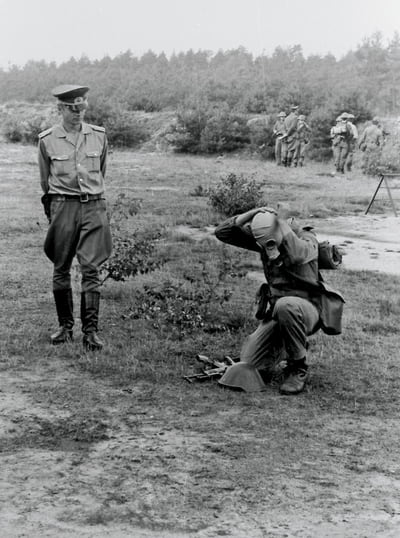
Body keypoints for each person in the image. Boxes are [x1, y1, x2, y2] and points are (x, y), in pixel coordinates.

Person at [214, 208, 344, 395]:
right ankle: (287, 343)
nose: (268, 248)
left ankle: (297, 367)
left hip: (307, 309)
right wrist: (254, 213)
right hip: (278, 312)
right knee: (250, 364)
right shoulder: (264, 236)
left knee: (287, 305)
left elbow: (299, 254)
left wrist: (281, 229)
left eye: (271, 242)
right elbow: (223, 232)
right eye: (263, 244)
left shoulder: (306, 239)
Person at [38, 84, 112, 350]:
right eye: (72, 108)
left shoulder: (99, 136)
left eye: (82, 107)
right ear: (61, 108)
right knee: (61, 266)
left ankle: (90, 333)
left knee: (91, 268)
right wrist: (59, 206)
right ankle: (65, 328)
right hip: (63, 206)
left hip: (93, 205)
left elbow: (101, 170)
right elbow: (45, 181)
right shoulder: (47, 139)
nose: (78, 113)